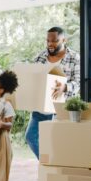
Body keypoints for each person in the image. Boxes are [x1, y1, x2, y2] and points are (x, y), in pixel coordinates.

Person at [25, 26, 80, 159]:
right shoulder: (40, 57)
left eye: (54, 41)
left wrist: (64, 87)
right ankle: (47, 164)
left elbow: (78, 82)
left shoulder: (74, 57)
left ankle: (55, 167)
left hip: (61, 109)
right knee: (31, 137)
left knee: (57, 143)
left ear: (63, 40)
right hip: (40, 109)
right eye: (48, 41)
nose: (50, 44)